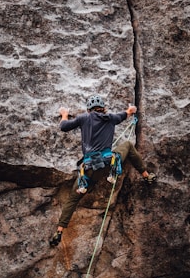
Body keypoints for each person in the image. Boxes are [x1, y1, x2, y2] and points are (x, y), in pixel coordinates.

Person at [49, 94, 156, 247]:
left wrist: (64, 114)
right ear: (103, 108)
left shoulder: (84, 118)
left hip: (89, 169)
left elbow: (63, 126)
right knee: (127, 145)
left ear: (89, 109)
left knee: (73, 198)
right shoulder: (111, 118)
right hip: (108, 163)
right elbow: (127, 113)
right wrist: (131, 109)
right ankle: (147, 176)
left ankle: (59, 231)